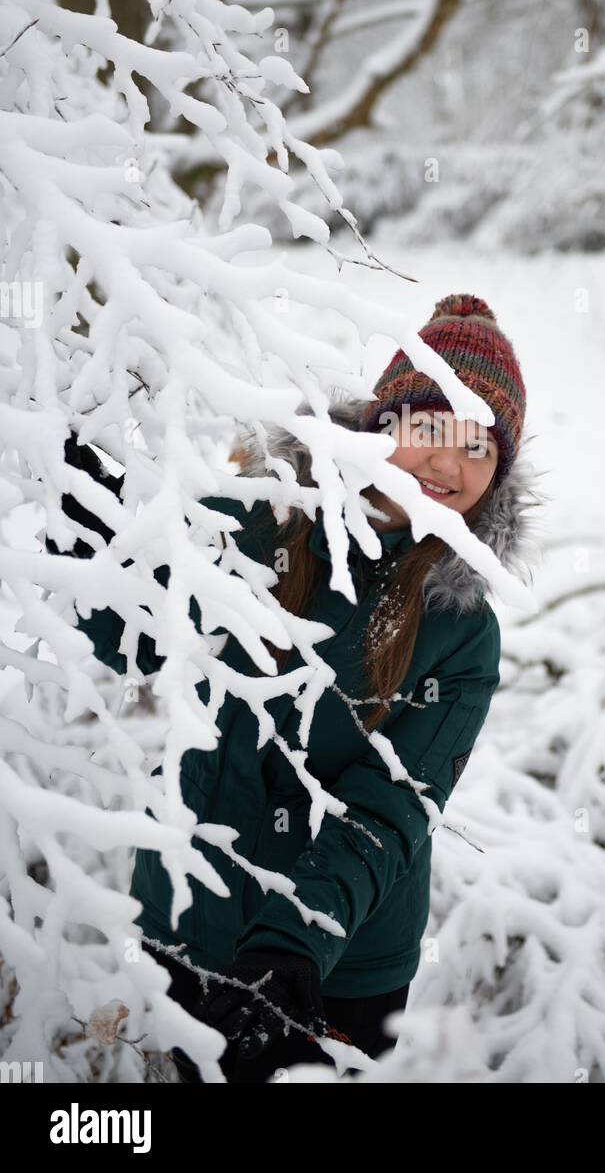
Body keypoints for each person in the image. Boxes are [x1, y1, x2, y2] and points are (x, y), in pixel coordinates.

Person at [48, 293, 542, 1082]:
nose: (452, 465)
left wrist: (296, 938)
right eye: (433, 427)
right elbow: (139, 644)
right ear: (385, 425)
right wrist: (90, 539)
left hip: (338, 967)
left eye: (480, 448)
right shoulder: (258, 519)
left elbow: (392, 808)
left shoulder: (463, 630)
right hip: (188, 914)